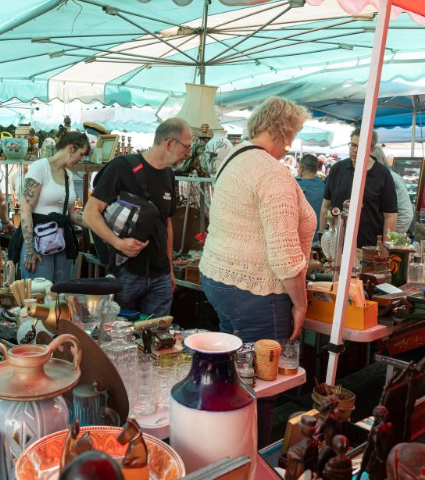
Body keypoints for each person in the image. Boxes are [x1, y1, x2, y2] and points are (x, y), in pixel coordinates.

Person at [199, 96, 314, 448]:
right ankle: (253, 457)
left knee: (234, 374)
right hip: (255, 291)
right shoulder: (271, 172)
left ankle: (226, 449)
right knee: (262, 382)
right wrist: (301, 302)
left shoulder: (233, 159)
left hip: (220, 279)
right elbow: (283, 254)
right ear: (287, 132)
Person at [83, 118, 187, 316]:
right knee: (118, 336)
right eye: (187, 146)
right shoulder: (121, 167)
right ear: (170, 143)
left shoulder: (169, 175)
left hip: (160, 277)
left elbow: (167, 225)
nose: (189, 153)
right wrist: (118, 243)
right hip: (126, 273)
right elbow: (89, 213)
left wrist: (170, 269)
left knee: (157, 337)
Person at [18, 132, 91, 283]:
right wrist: (30, 249)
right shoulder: (40, 168)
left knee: (60, 296)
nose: (81, 159)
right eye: (81, 154)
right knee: (39, 297)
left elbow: (71, 214)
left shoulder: (68, 175)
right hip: (38, 240)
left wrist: (95, 224)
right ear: (71, 148)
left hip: (60, 241)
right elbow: (25, 209)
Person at [319, 129, 397, 249]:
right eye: (353, 145)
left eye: (361, 147)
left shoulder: (383, 174)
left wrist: (386, 249)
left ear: (372, 149)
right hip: (336, 244)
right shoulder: (337, 169)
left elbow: (390, 215)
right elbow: (326, 206)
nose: (355, 150)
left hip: (368, 247)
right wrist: (322, 236)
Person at [373, 146, 413, 234]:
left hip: (383, 236)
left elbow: (405, 213)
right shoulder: (385, 176)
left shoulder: (389, 177)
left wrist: (391, 236)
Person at [296, 154, 325, 232]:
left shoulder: (294, 185)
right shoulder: (324, 186)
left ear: (301, 167)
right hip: (317, 232)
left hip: (298, 232)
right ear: (316, 169)